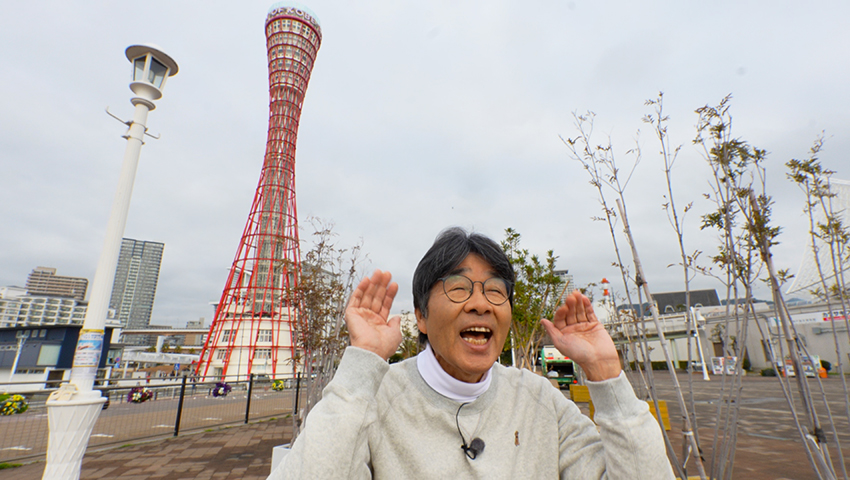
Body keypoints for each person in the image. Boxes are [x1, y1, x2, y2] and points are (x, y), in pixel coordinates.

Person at [268, 227, 673, 479]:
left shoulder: (540, 400)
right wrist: (359, 369)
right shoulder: (372, 401)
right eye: (458, 288)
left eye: (495, 290)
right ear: (422, 316)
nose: (481, 304)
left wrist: (606, 377)